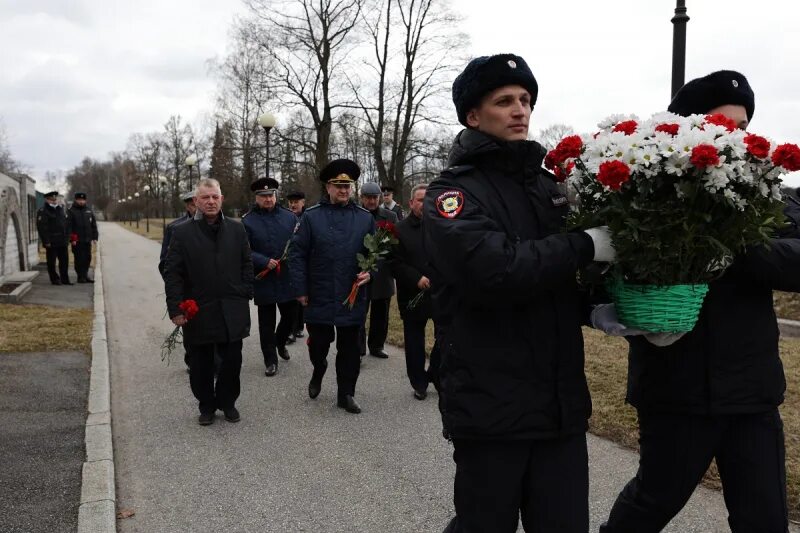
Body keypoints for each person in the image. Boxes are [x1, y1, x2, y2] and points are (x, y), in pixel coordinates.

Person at [600, 70, 800, 533]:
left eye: (742, 125)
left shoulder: (764, 195)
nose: (734, 134)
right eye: (720, 123)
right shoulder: (647, 189)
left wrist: (739, 243)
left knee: (765, 518)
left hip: (751, 391)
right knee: (653, 502)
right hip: (676, 385)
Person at [422, 54, 613, 532]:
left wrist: (606, 302)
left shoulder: (550, 189)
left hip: (559, 405)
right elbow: (492, 269)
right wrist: (584, 244)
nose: (519, 110)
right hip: (491, 406)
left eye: (525, 100)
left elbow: (564, 278)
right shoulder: (452, 193)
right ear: (472, 115)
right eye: (503, 100)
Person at [164, 178, 253, 426]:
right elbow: (173, 273)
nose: (211, 201)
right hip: (199, 309)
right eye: (205, 197)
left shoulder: (237, 229)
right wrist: (176, 308)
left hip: (232, 308)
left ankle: (228, 402)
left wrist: (246, 289)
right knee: (201, 363)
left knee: (232, 361)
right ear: (196, 201)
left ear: (222, 199)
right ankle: (206, 405)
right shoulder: (181, 233)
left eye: (215, 197)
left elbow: (246, 262)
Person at [289, 159, 375, 414]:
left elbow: (375, 254)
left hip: (352, 295)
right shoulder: (311, 217)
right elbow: (297, 254)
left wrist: (370, 272)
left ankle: (345, 393)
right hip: (319, 293)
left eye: (347, 185)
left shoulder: (364, 219)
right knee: (319, 344)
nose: (344, 190)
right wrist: (301, 290)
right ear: (328, 187)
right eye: (338, 185)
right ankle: (319, 368)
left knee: (349, 349)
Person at [242, 177, 299, 377]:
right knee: (266, 322)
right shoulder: (247, 221)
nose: (268, 199)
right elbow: (243, 250)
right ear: (256, 197)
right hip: (263, 277)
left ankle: (280, 341)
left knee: (291, 316)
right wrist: (263, 260)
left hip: (286, 276)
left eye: (271, 195)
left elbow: (297, 242)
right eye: (263, 196)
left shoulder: (289, 217)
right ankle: (270, 360)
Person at [390, 183, 440, 400]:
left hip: (440, 294)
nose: (424, 204)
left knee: (446, 337)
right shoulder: (399, 230)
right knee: (414, 341)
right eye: (420, 200)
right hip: (412, 295)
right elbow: (393, 262)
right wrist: (416, 278)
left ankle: (436, 373)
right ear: (411, 203)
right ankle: (419, 382)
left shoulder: (441, 226)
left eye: (428, 200)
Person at [358, 181, 398, 359]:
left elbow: (394, 245)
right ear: (362, 198)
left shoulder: (390, 217)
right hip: (361, 271)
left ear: (380, 198)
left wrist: (377, 264)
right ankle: (359, 348)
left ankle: (377, 345)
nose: (372, 201)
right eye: (368, 198)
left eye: (375, 198)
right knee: (359, 313)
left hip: (383, 272)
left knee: (381, 314)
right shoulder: (355, 214)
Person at [36, 191, 72, 285]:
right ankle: (55, 279)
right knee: (51, 262)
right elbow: (42, 228)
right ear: (47, 200)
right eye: (52, 200)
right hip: (51, 241)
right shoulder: (43, 211)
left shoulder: (60, 209)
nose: (54, 201)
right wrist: (46, 241)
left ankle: (65, 279)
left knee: (64, 261)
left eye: (55, 199)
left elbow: (66, 224)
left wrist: (67, 238)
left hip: (62, 240)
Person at [158, 190, 196, 278]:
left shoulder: (213, 225)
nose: (197, 208)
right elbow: (165, 261)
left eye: (199, 204)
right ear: (187, 207)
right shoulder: (173, 228)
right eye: (193, 205)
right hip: (183, 283)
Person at [285, 190, 307, 342]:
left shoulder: (308, 217)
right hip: (289, 260)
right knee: (292, 298)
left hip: (304, 260)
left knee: (302, 296)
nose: (293, 205)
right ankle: (292, 330)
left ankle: (300, 326)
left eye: (296, 202)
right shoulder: (286, 217)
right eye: (291, 202)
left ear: (303, 203)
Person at [67, 192, 98, 283]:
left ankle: (85, 275)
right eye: (79, 200)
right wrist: (72, 239)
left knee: (87, 258)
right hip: (77, 240)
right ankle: (80, 276)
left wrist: (95, 237)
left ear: (85, 200)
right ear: (76, 200)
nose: (81, 201)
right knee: (79, 258)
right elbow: (69, 227)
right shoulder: (71, 211)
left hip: (87, 239)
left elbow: (93, 225)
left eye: (83, 200)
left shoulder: (88, 210)